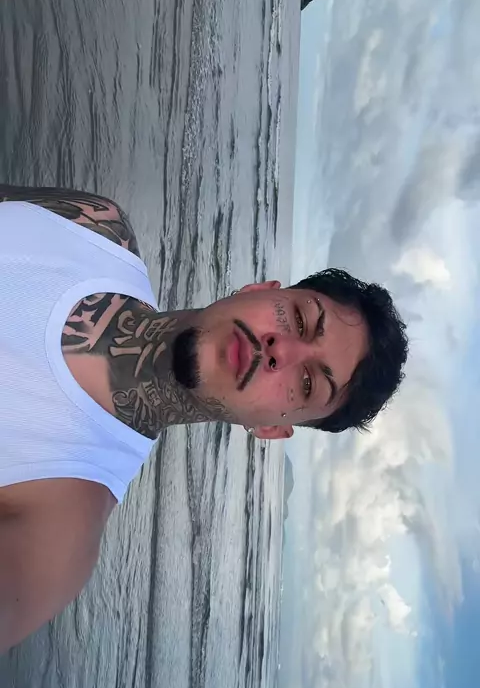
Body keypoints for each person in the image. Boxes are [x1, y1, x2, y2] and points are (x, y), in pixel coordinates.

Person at [0, 185, 408, 651]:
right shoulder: (92, 225)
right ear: (259, 289)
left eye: (308, 383)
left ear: (270, 428)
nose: (282, 350)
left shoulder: (59, 529)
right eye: (299, 320)